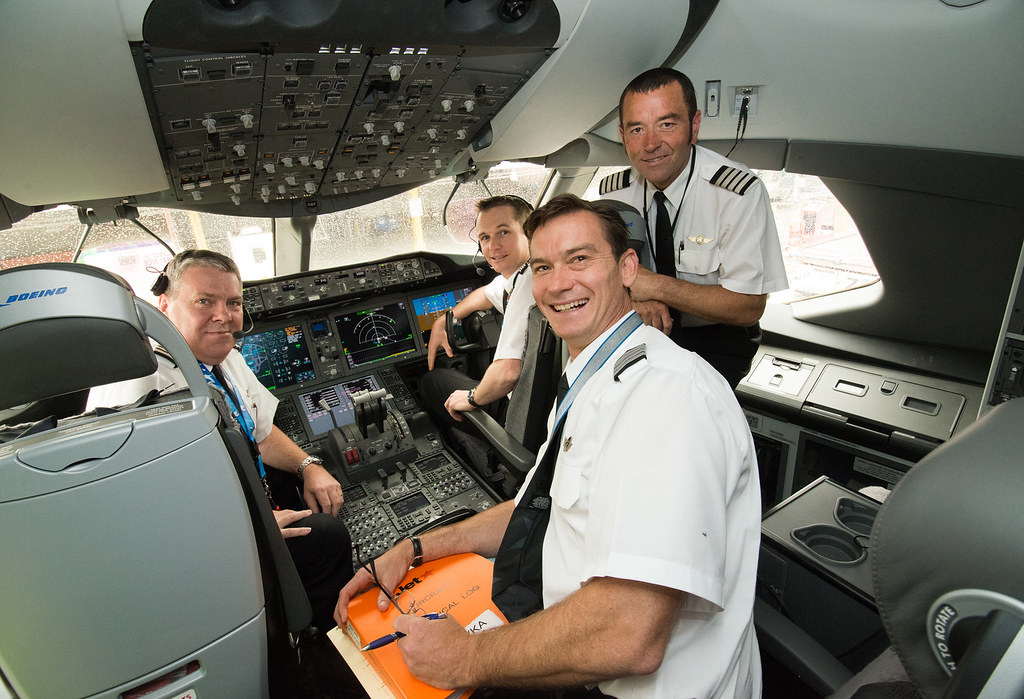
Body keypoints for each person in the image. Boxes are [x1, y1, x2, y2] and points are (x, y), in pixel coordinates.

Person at [335, 195, 762, 698]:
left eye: (579, 259)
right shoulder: (595, 376)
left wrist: (465, 658)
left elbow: (629, 633)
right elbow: (539, 507)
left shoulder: (667, 398)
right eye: (542, 267)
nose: (558, 283)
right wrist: (415, 548)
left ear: (628, 268)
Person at [87, 249, 352, 632]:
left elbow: (259, 432)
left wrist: (310, 467)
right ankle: (315, 643)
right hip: (184, 545)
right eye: (204, 302)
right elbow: (128, 510)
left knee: (300, 483)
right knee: (328, 537)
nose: (223, 316)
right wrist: (245, 529)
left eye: (233, 303)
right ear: (164, 306)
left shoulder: (227, 360)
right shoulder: (137, 383)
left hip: (228, 503)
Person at [602, 67, 789, 388]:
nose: (650, 144)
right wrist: (633, 299)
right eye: (637, 129)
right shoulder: (614, 195)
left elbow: (748, 306)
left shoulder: (737, 193)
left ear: (694, 126)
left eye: (667, 124)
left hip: (717, 341)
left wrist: (653, 286)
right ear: (622, 136)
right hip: (641, 329)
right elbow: (599, 274)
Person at [420, 194, 534, 424]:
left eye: (504, 232)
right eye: (485, 237)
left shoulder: (527, 286)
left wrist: (471, 398)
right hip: (534, 397)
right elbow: (486, 294)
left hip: (519, 412)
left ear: (530, 233)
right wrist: (445, 319)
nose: (493, 246)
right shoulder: (523, 275)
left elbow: (508, 373)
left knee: (432, 380)